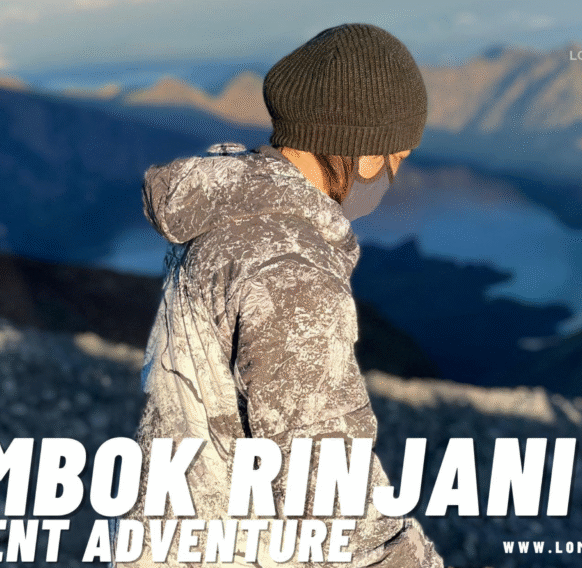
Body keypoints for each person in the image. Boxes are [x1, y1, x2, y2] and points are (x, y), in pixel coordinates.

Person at [118, 23, 443, 567]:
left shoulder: (226, 219)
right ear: (364, 156)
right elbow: (330, 497)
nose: (391, 179)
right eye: (397, 158)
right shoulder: (290, 271)